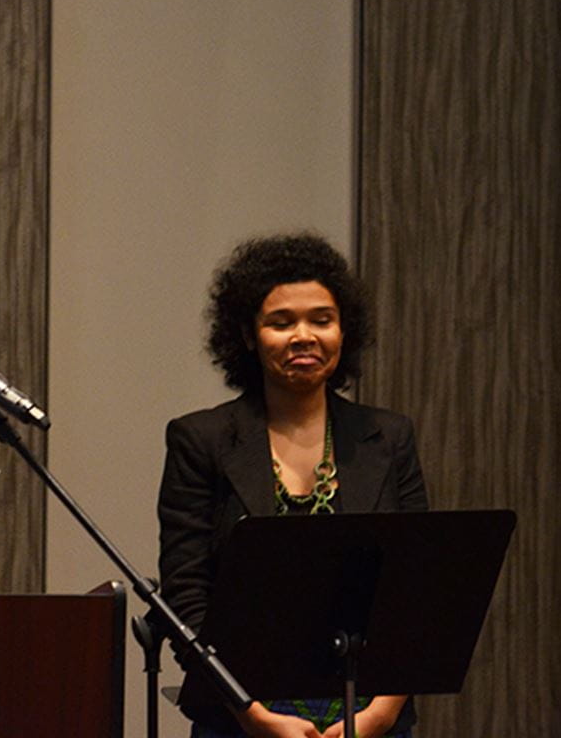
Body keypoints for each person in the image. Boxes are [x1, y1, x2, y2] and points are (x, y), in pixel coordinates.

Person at [158, 232, 429, 738]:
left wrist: (381, 714)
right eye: (281, 322)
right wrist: (252, 715)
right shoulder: (201, 440)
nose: (304, 336)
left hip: (372, 716)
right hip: (243, 719)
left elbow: (415, 588)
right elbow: (186, 597)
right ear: (247, 335)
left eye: (321, 320)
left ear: (344, 331)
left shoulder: (389, 437)